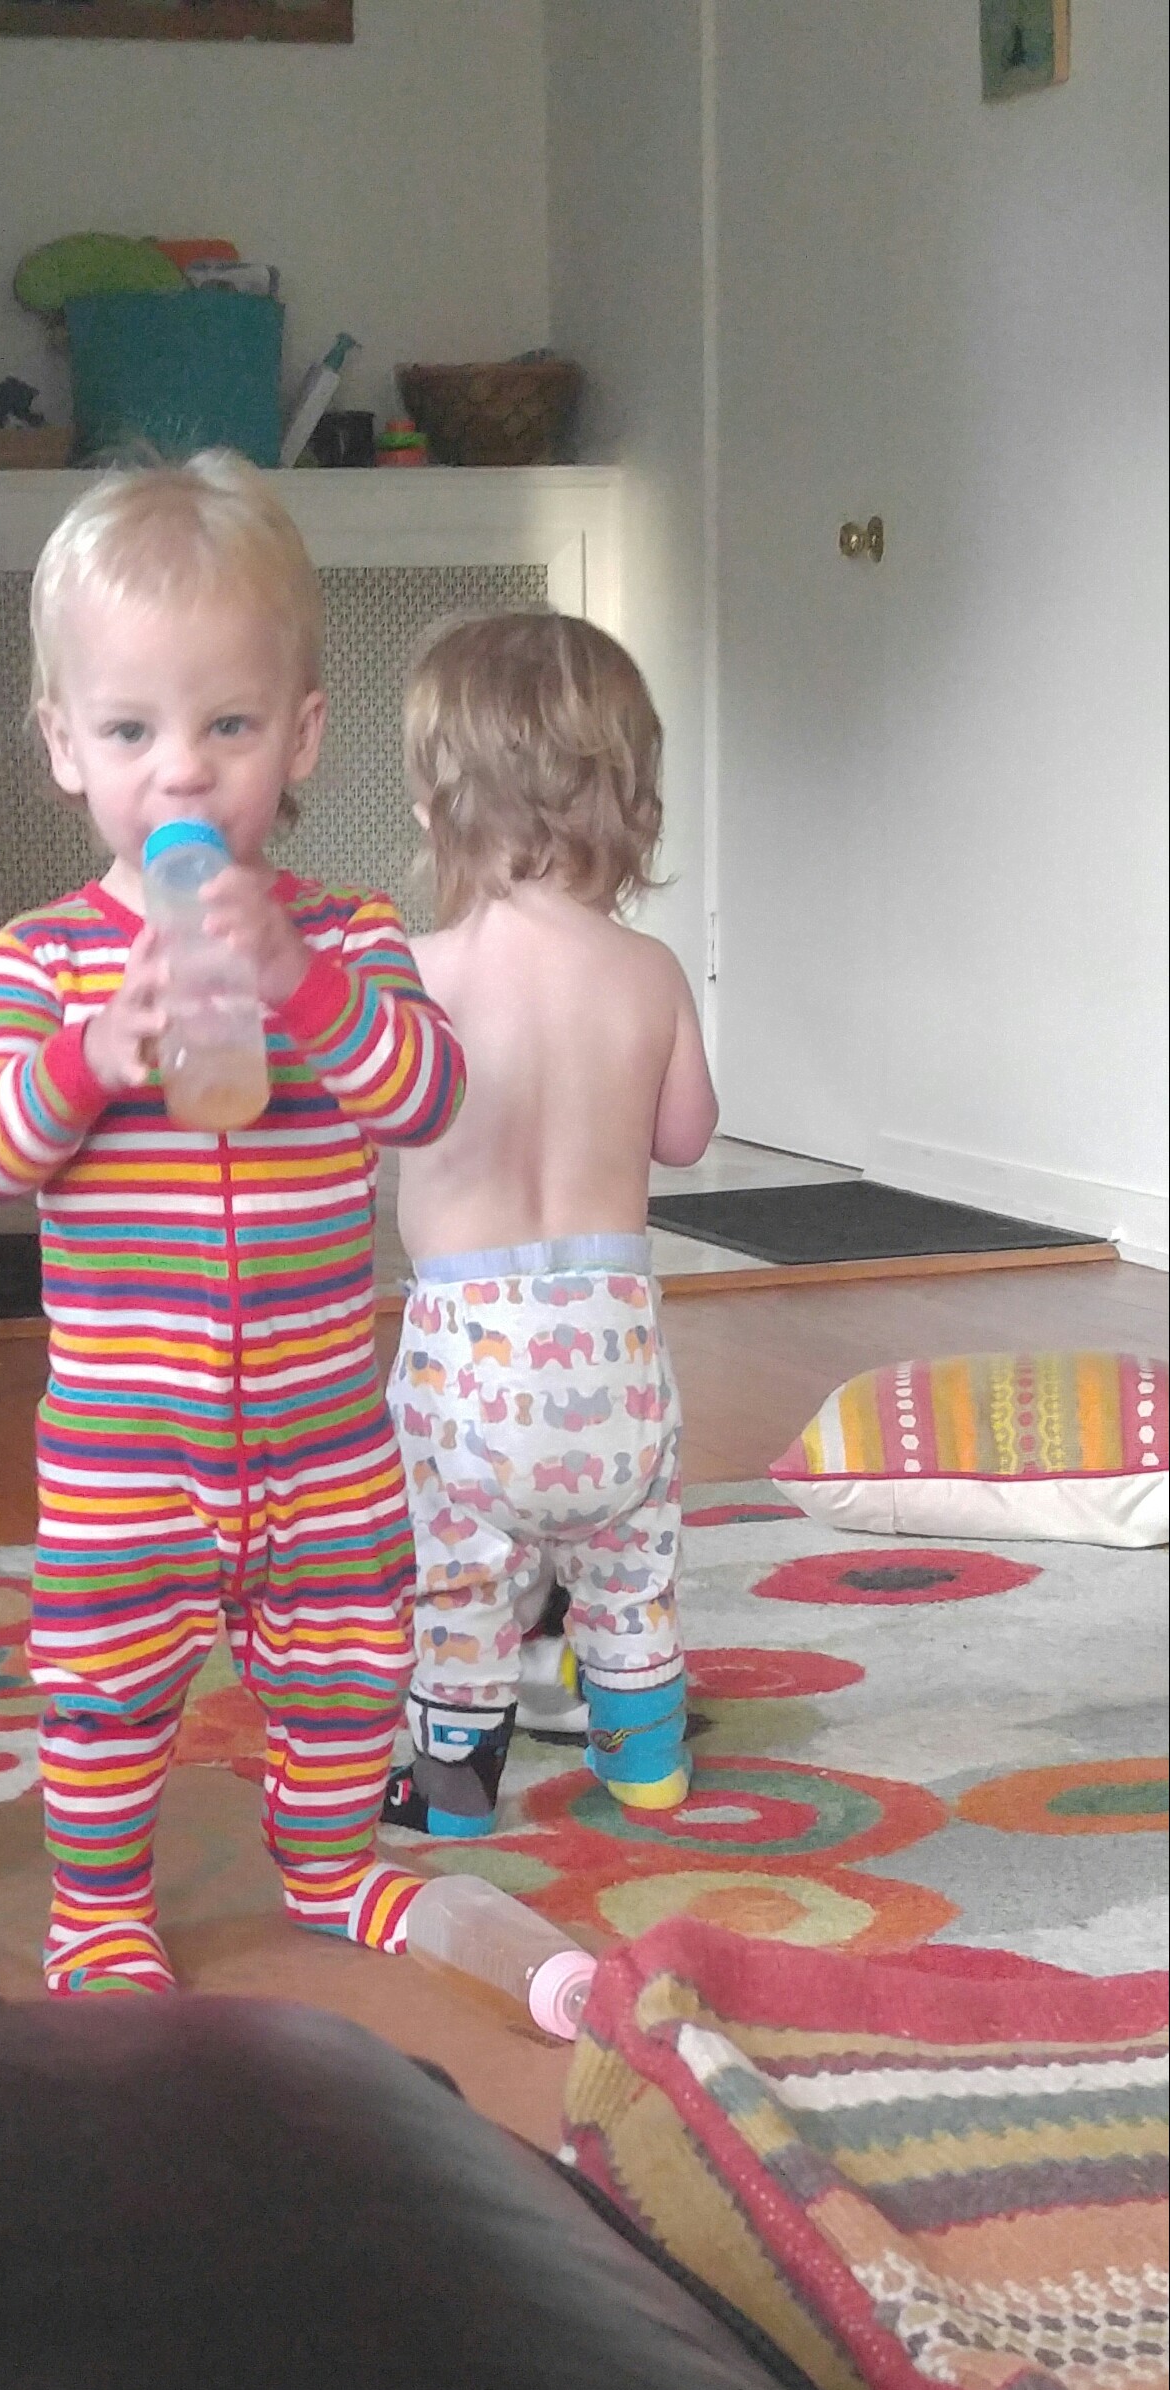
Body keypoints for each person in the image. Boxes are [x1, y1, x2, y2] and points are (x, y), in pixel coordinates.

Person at [0, 453, 465, 1994]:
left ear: (298, 733)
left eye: (226, 725)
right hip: (129, 1445)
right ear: (63, 743)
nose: (179, 773)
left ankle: (331, 1863)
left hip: (322, 1433)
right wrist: (90, 1054)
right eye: (129, 730)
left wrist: (299, 979)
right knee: (101, 1690)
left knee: (355, 1661)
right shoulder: (40, 956)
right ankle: (98, 1909)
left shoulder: (351, 934)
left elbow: (425, 1094)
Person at [382, 610, 718, 1840]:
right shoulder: (648, 971)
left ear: (436, 805)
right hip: (612, 1359)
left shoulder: (413, 971)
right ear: (631, 802)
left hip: (466, 1371)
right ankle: (647, 1767)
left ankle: (456, 1794)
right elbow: (685, 1135)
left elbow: (366, 1122)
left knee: (458, 1585)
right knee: (629, 1575)